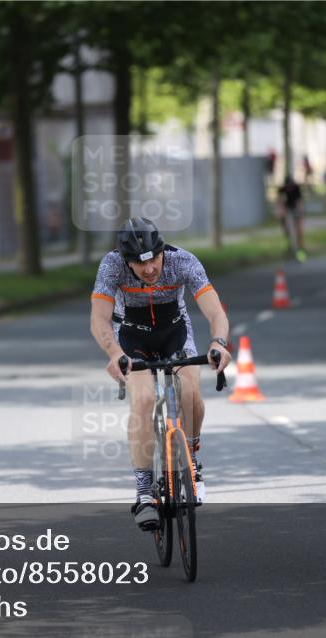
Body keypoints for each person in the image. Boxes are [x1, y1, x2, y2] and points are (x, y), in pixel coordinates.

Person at [89, 218, 231, 530]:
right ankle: (143, 493)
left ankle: (191, 460)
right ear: (126, 261)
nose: (150, 269)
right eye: (140, 265)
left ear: (161, 249)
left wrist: (218, 342)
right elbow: (99, 318)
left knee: (190, 393)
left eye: (154, 258)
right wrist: (115, 353)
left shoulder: (183, 261)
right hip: (131, 337)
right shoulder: (111, 266)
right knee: (143, 400)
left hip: (174, 332)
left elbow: (214, 310)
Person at [277, 175, 307, 262]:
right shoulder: (282, 189)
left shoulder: (296, 188)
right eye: (288, 187)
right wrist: (280, 212)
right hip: (287, 210)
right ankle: (289, 248)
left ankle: (301, 252)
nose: (289, 188)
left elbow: (299, 202)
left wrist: (300, 213)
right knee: (286, 230)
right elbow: (279, 202)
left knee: (299, 232)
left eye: (290, 186)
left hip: (296, 209)